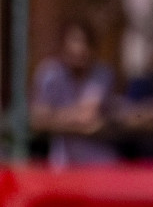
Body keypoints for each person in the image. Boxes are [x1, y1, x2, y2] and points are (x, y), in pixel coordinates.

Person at [31, 21, 118, 167]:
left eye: (85, 42)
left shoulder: (102, 73)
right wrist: (71, 117)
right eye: (75, 41)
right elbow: (38, 117)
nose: (80, 48)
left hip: (99, 162)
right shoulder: (50, 72)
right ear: (63, 44)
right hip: (61, 161)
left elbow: (87, 116)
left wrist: (54, 116)